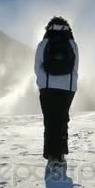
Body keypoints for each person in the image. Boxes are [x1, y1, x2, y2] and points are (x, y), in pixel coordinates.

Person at [34, 16, 79, 171]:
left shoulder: (44, 43)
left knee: (50, 121)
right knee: (62, 119)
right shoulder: (72, 44)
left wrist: (42, 83)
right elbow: (75, 67)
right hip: (67, 89)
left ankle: (51, 156)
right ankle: (60, 154)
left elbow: (37, 66)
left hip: (47, 87)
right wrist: (71, 87)